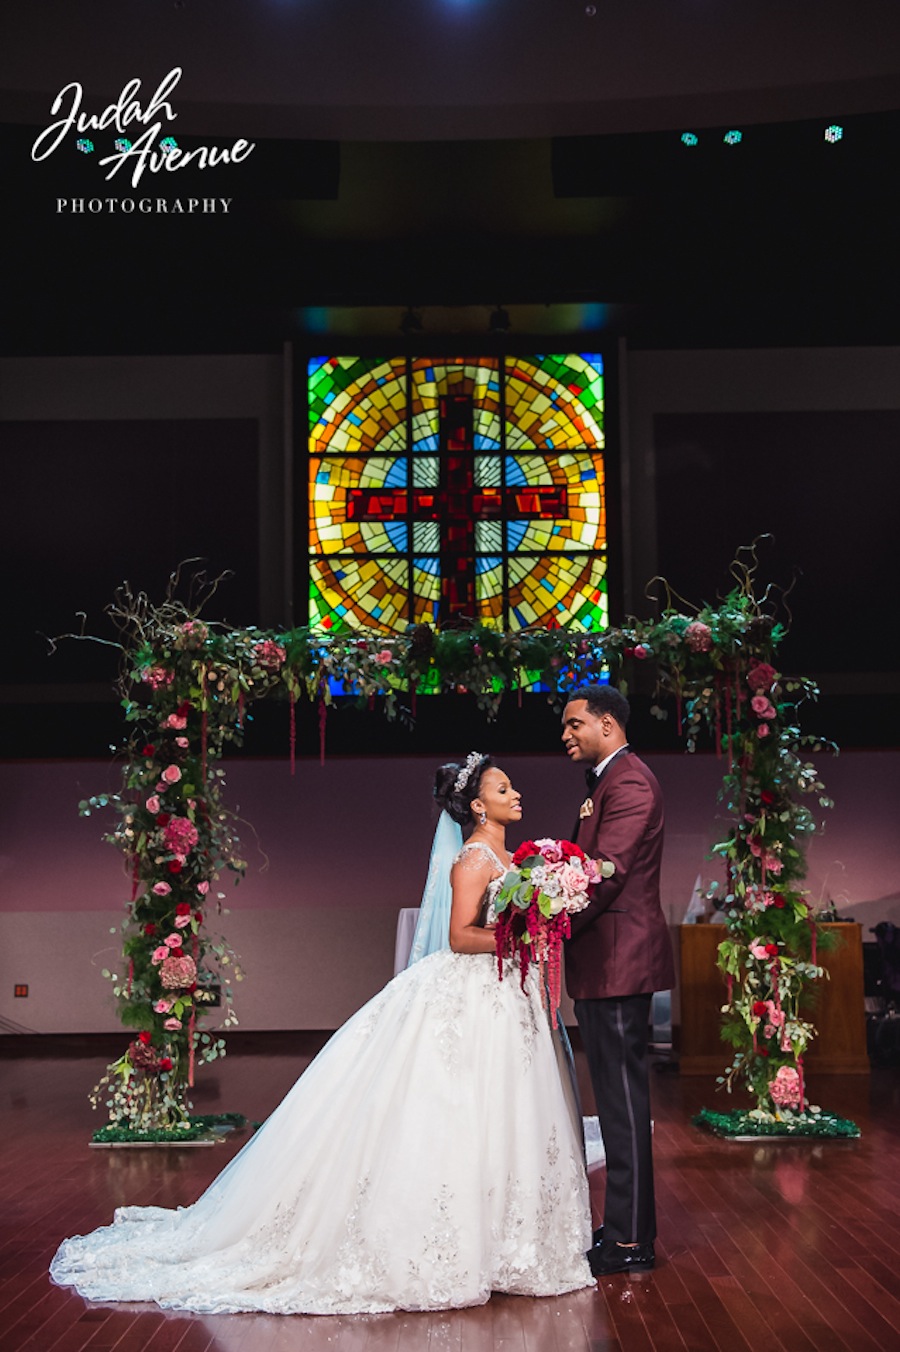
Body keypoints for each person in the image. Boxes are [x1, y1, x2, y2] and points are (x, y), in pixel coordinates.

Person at [50, 754, 593, 1315]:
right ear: (478, 805)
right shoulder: (474, 859)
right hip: (474, 988)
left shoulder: (518, 859)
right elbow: (459, 937)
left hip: (506, 996)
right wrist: (521, 941)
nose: (517, 793)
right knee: (450, 1106)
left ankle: (509, 1242)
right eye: (504, 788)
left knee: (504, 1111)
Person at [561, 685, 675, 1276]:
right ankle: (629, 1228)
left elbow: (605, 875)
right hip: (608, 962)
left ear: (607, 724)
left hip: (619, 960)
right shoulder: (610, 780)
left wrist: (554, 919)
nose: (566, 736)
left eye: (574, 724)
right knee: (616, 1101)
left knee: (624, 1104)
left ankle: (630, 1242)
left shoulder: (627, 782)